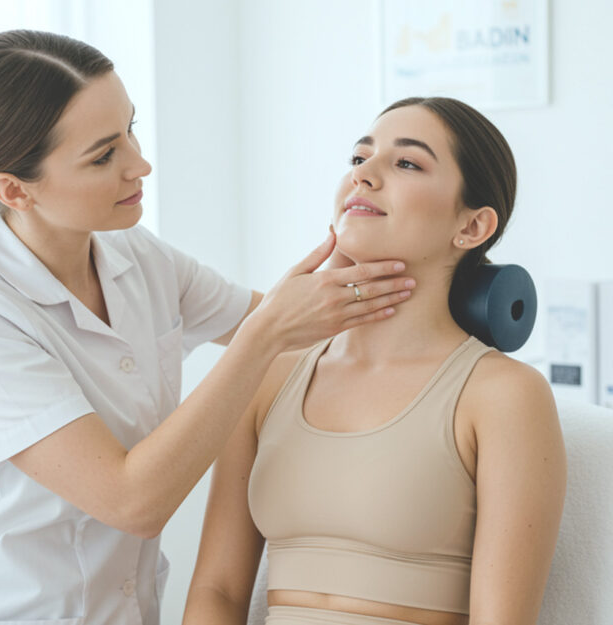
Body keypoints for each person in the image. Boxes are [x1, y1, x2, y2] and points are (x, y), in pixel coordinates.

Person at [0, 30, 415, 625]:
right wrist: (265, 337)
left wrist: (395, 267)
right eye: (104, 156)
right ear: (14, 190)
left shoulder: (135, 255)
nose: (140, 165)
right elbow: (133, 503)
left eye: (130, 130)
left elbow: (296, 326)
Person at [183, 98, 568, 625]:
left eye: (407, 162)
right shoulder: (269, 373)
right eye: (358, 158)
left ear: (473, 227)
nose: (363, 174)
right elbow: (218, 591)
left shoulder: (502, 394)